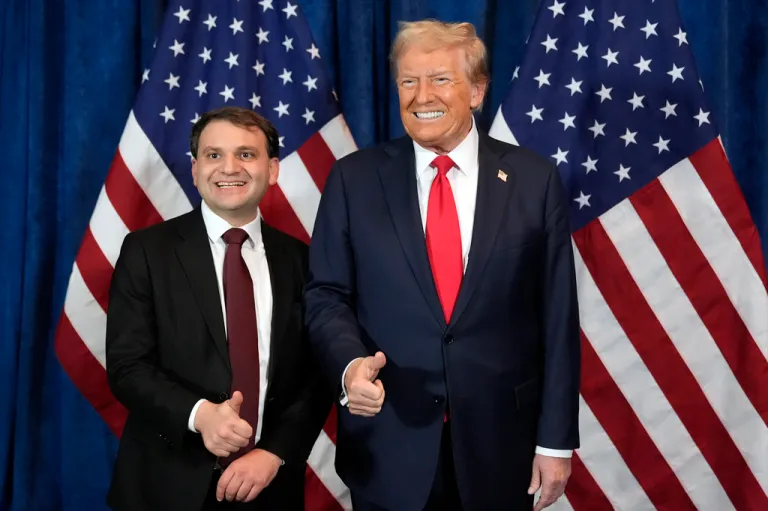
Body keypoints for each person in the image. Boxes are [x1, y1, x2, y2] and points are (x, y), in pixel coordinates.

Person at [304, 20, 580, 511]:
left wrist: (555, 441)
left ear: (476, 91)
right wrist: (349, 368)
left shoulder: (533, 181)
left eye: (440, 79)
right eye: (408, 81)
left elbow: (557, 318)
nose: (420, 95)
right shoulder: (354, 180)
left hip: (501, 445)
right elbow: (326, 294)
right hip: (390, 442)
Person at [105, 107, 332, 511]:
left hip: (268, 487)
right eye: (213, 155)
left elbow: (316, 375)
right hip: (165, 486)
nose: (229, 167)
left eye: (246, 154)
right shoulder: (146, 252)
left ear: (273, 169)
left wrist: (275, 453)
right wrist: (200, 415)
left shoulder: (302, 260)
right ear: (194, 170)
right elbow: (128, 366)